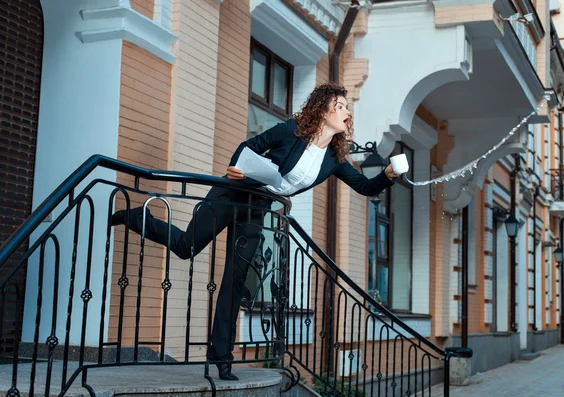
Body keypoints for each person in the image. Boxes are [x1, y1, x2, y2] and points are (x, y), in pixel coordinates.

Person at [110, 83, 401, 380]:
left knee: (235, 281)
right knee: (186, 246)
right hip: (233, 192)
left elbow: (365, 187)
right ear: (323, 108)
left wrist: (389, 174)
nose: (346, 111)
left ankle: (221, 357)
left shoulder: (334, 160)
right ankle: (138, 218)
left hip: (257, 207)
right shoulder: (291, 130)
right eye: (340, 105)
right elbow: (250, 147)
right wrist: (235, 166)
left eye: (347, 107)